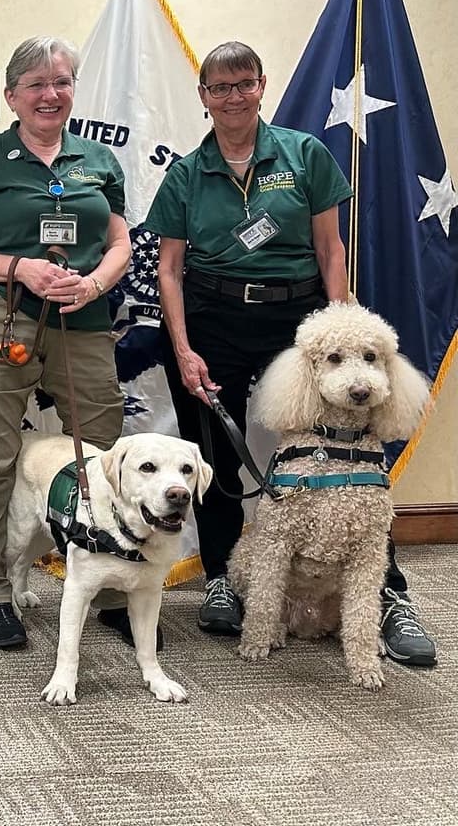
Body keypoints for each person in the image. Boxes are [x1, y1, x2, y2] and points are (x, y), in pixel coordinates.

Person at [144, 40, 437, 666]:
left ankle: (389, 595)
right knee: (216, 453)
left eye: (243, 84)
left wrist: (343, 331)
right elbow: (169, 269)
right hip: (212, 316)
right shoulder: (186, 173)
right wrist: (185, 347)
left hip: (296, 315)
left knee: (345, 445)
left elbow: (332, 251)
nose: (232, 97)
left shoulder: (305, 155)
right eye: (219, 88)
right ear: (203, 98)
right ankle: (224, 579)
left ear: (261, 86)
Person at [0, 36, 131, 651]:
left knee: (102, 457)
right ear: (11, 96)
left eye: (62, 82)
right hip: (8, 317)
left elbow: (120, 242)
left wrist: (99, 280)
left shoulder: (99, 160)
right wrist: (19, 267)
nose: (50, 95)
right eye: (36, 85)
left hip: (85, 320)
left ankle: (106, 585)